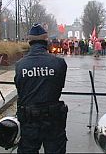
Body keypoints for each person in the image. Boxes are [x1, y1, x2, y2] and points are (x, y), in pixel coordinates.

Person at [14, 23, 68, 153]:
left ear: (29, 41)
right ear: (46, 40)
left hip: (29, 120)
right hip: (53, 119)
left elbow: (20, 89)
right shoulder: (59, 63)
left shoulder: (20, 65)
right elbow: (60, 86)